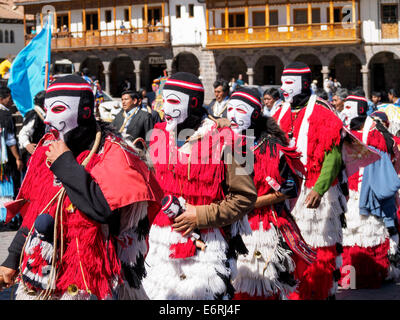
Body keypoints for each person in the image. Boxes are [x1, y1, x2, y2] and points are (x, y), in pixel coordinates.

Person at [0, 75, 163, 299]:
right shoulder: (47, 148)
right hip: (44, 272)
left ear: (85, 111)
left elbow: (103, 209)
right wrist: (11, 258)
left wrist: (65, 164)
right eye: (46, 110)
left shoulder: (113, 153)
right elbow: (34, 210)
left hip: (94, 281)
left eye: (57, 109)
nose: (47, 119)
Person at [142, 72, 258, 300]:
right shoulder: (159, 133)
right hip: (161, 246)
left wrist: (201, 215)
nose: (165, 108)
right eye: (163, 100)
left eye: (173, 101)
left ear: (193, 103)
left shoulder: (230, 140)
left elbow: (246, 197)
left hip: (207, 249)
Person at [223, 87, 314, 300]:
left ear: (255, 114)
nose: (233, 115)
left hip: (264, 225)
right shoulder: (228, 144)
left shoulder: (272, 146)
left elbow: (289, 188)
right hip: (234, 224)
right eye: (230, 109)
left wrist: (251, 203)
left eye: (240, 109)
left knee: (263, 285)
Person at [279, 62, 346, 300]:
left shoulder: (323, 111)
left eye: (289, 83)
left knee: (317, 247)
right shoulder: (281, 112)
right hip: (287, 193)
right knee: (289, 250)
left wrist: (319, 188)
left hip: (316, 190)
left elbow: (334, 155)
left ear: (304, 84)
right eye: (282, 82)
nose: (283, 88)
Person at [340, 95, 400, 288]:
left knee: (370, 234)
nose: (345, 110)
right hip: (349, 193)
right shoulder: (344, 133)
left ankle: (372, 275)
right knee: (350, 236)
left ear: (360, 109)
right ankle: (351, 278)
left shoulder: (376, 134)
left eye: (349, 107)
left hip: (369, 193)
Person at [0, 87, 23, 230]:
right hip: (5, 160)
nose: (11, 101)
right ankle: (7, 219)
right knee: (7, 189)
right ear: (2, 99)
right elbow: (10, 140)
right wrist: (17, 158)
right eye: (9, 98)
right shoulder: (5, 115)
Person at [18, 90, 46, 166]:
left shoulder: (44, 114)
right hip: (35, 156)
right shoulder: (34, 114)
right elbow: (23, 133)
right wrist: (27, 145)